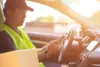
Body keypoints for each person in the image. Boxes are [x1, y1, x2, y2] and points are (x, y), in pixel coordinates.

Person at [0, 0, 64, 67]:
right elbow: (16, 63)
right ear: (9, 12)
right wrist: (47, 52)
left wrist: (47, 47)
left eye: (25, 12)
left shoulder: (19, 30)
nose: (24, 15)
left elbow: (31, 51)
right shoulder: (4, 36)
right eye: (21, 11)